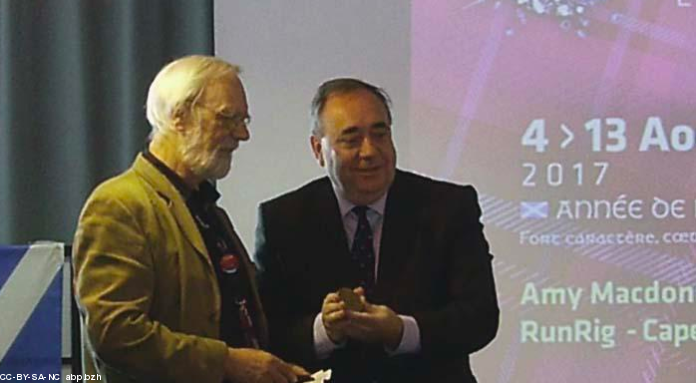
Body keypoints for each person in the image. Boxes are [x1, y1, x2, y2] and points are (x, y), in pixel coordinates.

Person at [73, 55, 307, 383]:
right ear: (179, 116)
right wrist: (226, 362)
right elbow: (115, 333)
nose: (242, 134)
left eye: (244, 120)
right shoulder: (119, 204)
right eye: (228, 118)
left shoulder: (206, 210)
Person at [254, 78, 499, 383]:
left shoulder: (447, 207)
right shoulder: (283, 220)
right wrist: (324, 330)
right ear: (318, 149)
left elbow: (480, 317)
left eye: (379, 134)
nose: (369, 151)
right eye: (351, 139)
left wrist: (402, 331)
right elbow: (265, 330)